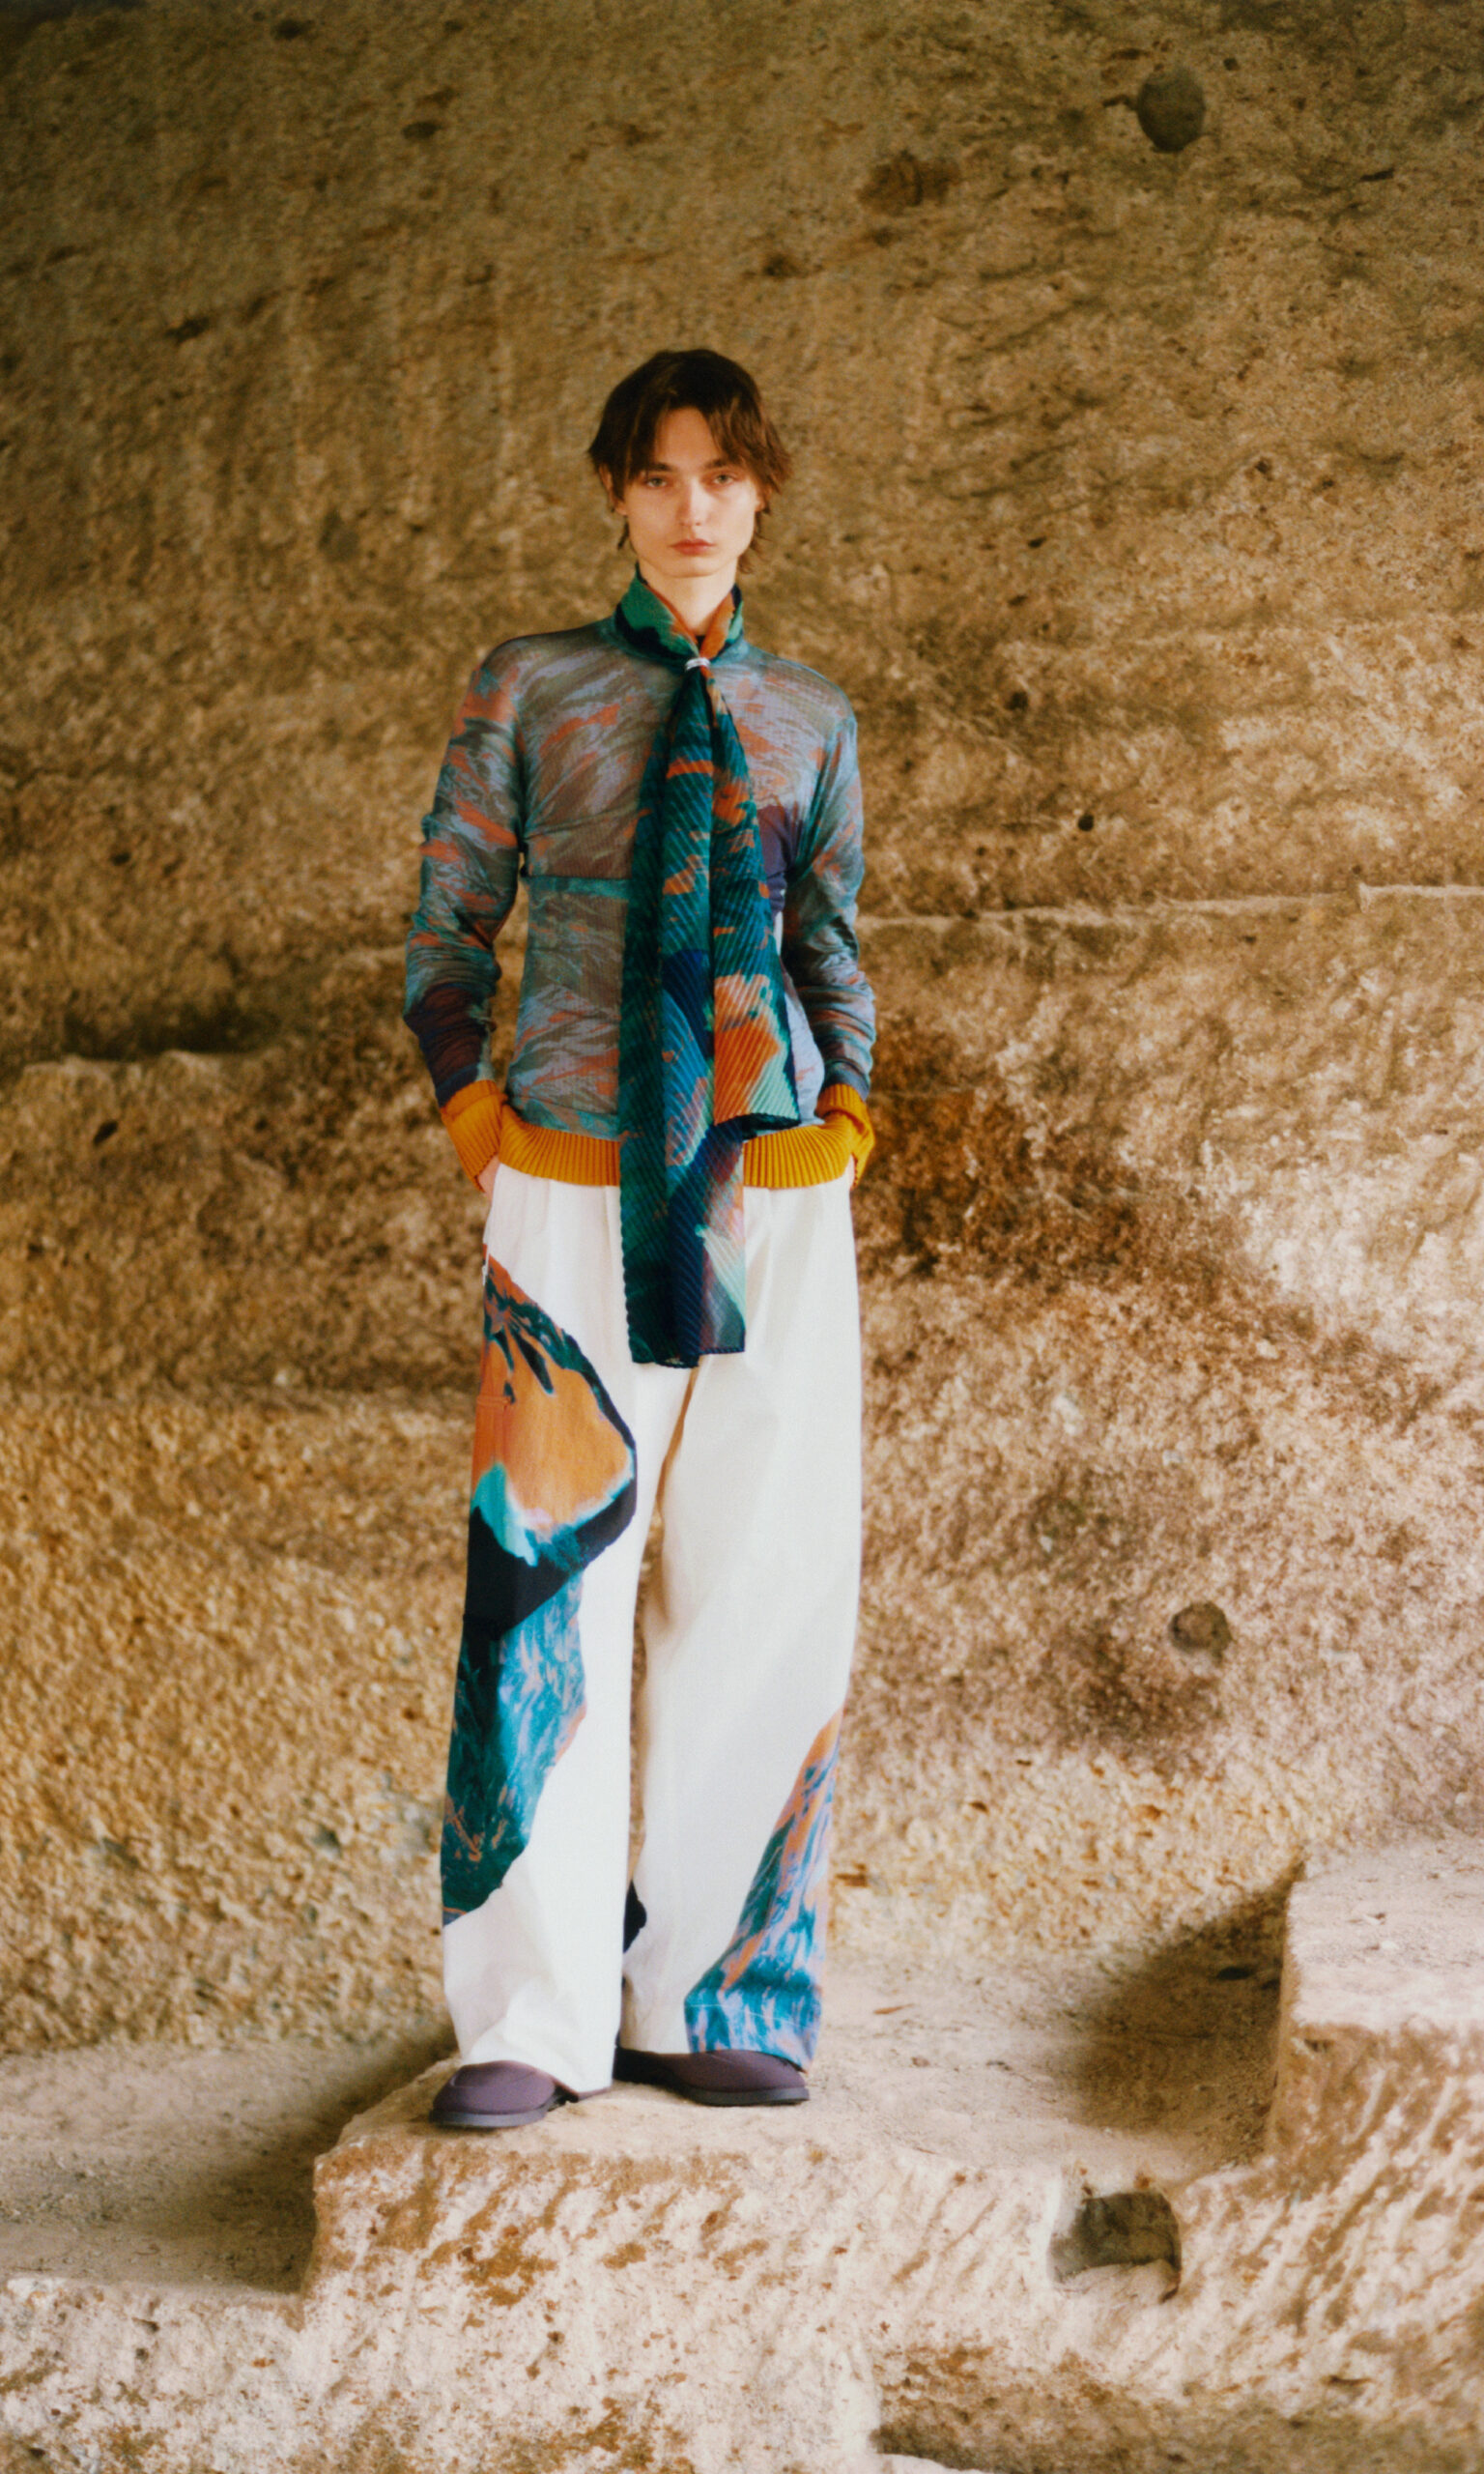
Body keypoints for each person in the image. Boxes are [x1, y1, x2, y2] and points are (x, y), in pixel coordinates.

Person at [402, 347, 876, 2131]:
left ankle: (712, 1991)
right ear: (615, 491)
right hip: (574, 1162)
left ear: (760, 495)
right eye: (660, 475)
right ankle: (527, 2018)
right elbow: (446, 926)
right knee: (545, 1574)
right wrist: (478, 1116)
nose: (693, 508)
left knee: (764, 1572)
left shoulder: (809, 715)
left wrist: (847, 1111)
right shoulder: (533, 686)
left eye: (722, 477)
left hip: (777, 1177)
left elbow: (830, 940)